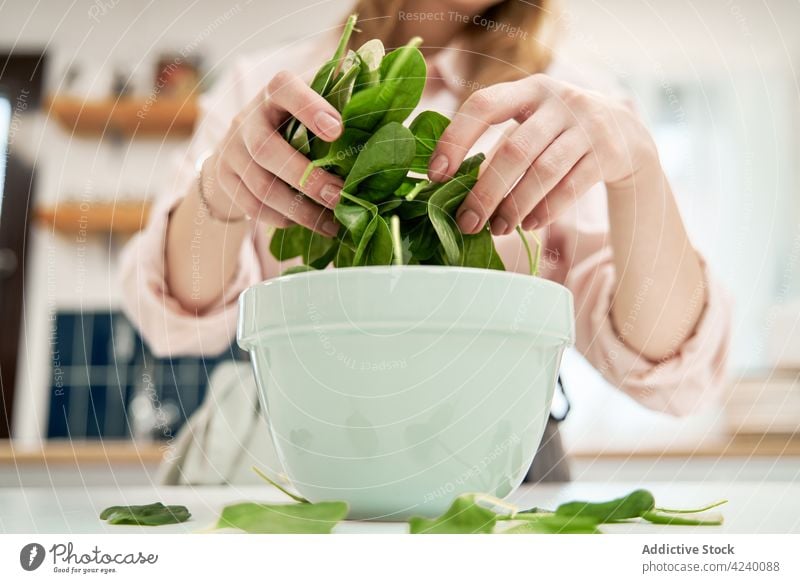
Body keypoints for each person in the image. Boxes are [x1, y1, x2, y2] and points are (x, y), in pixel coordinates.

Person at [119, 0, 732, 486]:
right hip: (308, 448)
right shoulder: (266, 84)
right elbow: (176, 319)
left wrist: (639, 174)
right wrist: (217, 199)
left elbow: (674, 367)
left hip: (505, 461)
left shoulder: (576, 100)